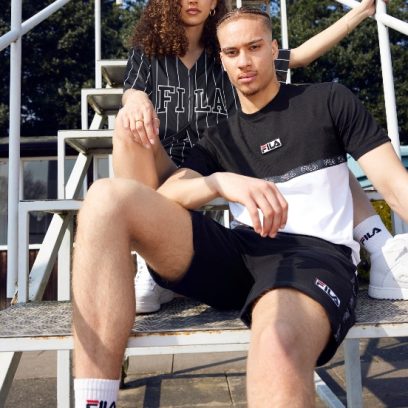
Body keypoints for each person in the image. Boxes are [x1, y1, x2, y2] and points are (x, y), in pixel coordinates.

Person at [73, 8, 408, 406]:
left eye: (254, 47)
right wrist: (219, 182)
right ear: (222, 60)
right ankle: (95, 401)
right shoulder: (220, 136)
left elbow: (394, 185)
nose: (244, 61)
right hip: (239, 254)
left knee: (277, 342)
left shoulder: (327, 100)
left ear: (274, 50)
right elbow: (167, 195)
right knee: (104, 198)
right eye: (232, 53)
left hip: (311, 256)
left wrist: (362, 12)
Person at [114, 0, 408, 313]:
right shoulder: (151, 49)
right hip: (177, 165)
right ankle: (148, 263)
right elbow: (132, 90)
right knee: (126, 124)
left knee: (324, 149)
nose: (193, 0)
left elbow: (300, 55)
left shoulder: (230, 47)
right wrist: (136, 100)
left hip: (230, 154)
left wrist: (360, 12)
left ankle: (380, 245)